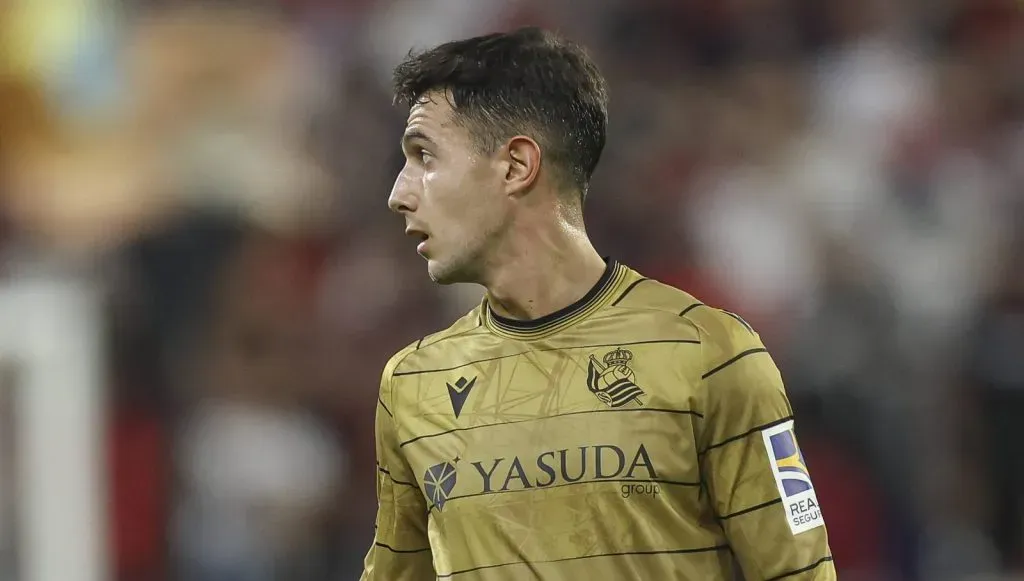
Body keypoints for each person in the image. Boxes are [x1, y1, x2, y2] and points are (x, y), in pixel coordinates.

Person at [361, 26, 836, 581]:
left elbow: (798, 573)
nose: (399, 193)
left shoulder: (710, 355)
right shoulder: (412, 384)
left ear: (516, 166)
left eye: (424, 156)